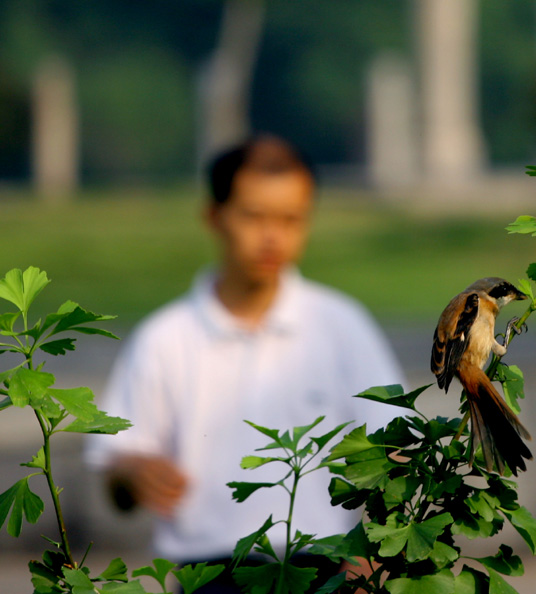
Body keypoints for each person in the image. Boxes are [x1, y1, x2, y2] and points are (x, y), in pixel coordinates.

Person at [85, 135, 404, 592]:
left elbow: (391, 450)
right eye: (254, 216)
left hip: (327, 571)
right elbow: (117, 479)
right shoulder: (166, 338)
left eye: (291, 219)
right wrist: (132, 473)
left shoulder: (340, 326)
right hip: (209, 576)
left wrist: (368, 559)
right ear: (214, 216)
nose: (272, 236)